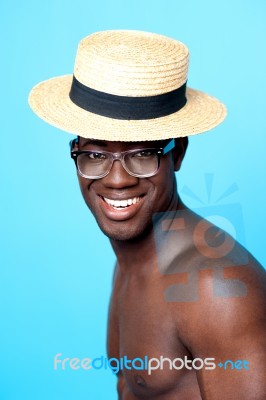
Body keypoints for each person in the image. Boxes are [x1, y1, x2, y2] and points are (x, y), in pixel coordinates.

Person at [29, 30, 266, 399]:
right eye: (95, 154)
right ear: (75, 153)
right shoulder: (130, 258)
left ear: (178, 153)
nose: (118, 180)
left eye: (142, 153)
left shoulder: (216, 287)